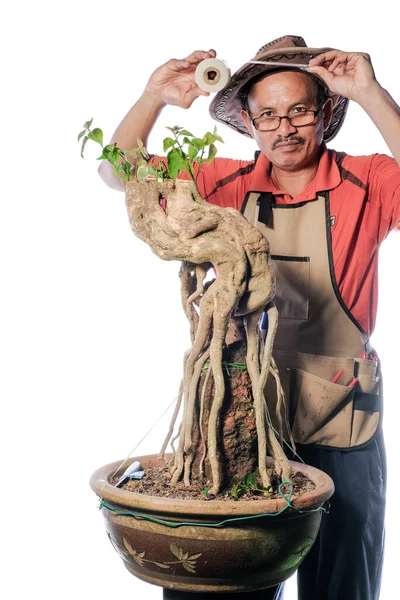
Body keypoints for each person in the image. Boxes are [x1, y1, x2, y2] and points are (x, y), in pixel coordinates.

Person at [99, 35, 400, 600]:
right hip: (241, 398)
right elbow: (119, 174)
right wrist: (153, 98)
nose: (283, 128)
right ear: (247, 121)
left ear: (326, 112)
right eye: (267, 115)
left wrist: (370, 92)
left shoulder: (370, 181)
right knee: (233, 566)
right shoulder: (221, 183)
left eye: (299, 111)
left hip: (339, 407)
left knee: (344, 568)